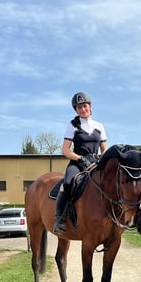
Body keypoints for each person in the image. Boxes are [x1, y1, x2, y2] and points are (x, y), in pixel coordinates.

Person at [53, 92, 108, 235]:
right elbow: (65, 150)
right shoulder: (72, 125)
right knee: (68, 182)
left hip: (95, 163)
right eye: (79, 108)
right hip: (77, 162)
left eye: (84, 106)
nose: (83, 109)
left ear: (90, 106)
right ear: (76, 110)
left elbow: (104, 150)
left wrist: (102, 161)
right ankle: (59, 219)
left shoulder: (99, 126)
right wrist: (80, 159)